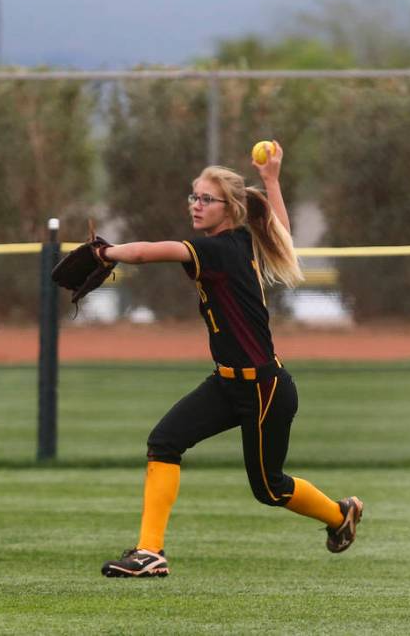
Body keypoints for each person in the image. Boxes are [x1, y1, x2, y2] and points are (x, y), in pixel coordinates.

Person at [99, 142, 362, 578]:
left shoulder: (221, 249)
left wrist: (103, 253)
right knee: (164, 441)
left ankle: (340, 514)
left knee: (269, 488)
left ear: (231, 208)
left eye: (206, 199)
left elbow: (147, 253)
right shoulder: (239, 240)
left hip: (263, 387)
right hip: (227, 383)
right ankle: (150, 552)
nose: (196, 205)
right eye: (193, 196)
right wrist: (272, 179)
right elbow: (279, 228)